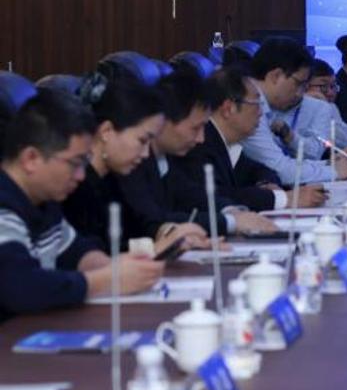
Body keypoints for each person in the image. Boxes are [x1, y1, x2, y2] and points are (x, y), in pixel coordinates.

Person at [1, 90, 163, 321]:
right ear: (31, 158)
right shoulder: (4, 206)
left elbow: (75, 250)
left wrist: (111, 266)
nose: (80, 175)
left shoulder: (44, 202)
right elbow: (20, 287)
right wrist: (106, 280)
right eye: (75, 163)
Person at [125, 70, 279, 237]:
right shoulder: (133, 160)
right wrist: (231, 222)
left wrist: (231, 211)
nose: (201, 138)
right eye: (195, 128)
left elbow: (191, 195)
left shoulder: (165, 157)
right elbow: (154, 220)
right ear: (163, 121)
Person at [63, 74, 205, 255]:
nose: (146, 154)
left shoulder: (113, 178)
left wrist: (171, 235)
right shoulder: (74, 187)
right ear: (107, 131)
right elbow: (92, 257)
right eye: (142, 140)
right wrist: (155, 248)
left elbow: (138, 230)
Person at [179, 66, 316, 217]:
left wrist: (265, 184)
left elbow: (261, 170)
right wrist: (283, 199)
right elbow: (216, 196)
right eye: (256, 104)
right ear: (228, 109)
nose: (261, 113)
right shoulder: (200, 143)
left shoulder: (228, 143)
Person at [241, 38, 347, 182]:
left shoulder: (260, 103)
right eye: (299, 84)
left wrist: (328, 164)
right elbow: (279, 169)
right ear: (276, 76)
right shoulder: (246, 104)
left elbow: (280, 163)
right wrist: (333, 171)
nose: (301, 93)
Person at [273, 57, 347, 154]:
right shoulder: (287, 106)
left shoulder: (330, 107)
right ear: (305, 85)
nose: (330, 93)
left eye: (333, 86)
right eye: (323, 86)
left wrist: (325, 110)